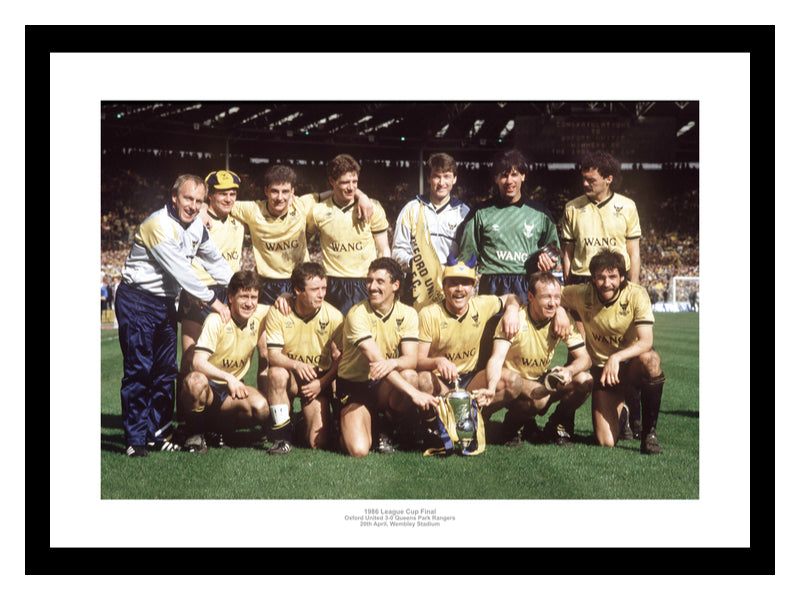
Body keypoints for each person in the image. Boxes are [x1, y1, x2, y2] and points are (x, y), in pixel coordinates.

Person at [115, 174, 233, 457]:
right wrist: (215, 301)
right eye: (188, 198)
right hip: (139, 299)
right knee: (139, 369)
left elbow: (215, 262)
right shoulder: (158, 224)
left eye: (199, 201)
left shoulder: (196, 226)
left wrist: (241, 288)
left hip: (166, 303)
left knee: (166, 370)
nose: (193, 206)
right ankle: (135, 439)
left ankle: (157, 433)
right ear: (174, 197)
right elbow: (182, 272)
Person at [559, 151, 644, 438]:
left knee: (624, 351)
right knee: (577, 351)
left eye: (591, 179)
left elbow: (633, 252)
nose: (585, 183)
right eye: (583, 178)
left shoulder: (627, 206)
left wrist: (632, 289)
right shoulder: (572, 208)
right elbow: (568, 253)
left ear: (608, 179)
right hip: (583, 283)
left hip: (616, 285)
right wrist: (568, 291)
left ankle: (631, 419)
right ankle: (565, 422)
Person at [559, 248, 666, 454]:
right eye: (600, 277)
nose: (606, 283)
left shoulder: (636, 294)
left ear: (622, 277)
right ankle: (623, 415)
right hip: (604, 373)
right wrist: (560, 312)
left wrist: (616, 357)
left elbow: (646, 341)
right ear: (592, 279)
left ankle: (649, 435)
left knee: (651, 360)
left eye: (612, 277)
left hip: (631, 366)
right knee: (606, 442)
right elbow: (553, 295)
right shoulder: (582, 293)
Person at [471, 271, 593, 447]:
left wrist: (569, 370)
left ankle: (556, 424)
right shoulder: (515, 319)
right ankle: (509, 428)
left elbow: (586, 359)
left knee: (585, 380)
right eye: (546, 297)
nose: (552, 303)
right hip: (509, 382)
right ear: (531, 297)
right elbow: (496, 358)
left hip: (538, 380)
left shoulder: (562, 320)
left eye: (557, 297)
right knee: (539, 396)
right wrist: (491, 387)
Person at [335, 257, 437, 457]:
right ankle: (343, 425)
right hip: (355, 386)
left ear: (395, 285)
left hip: (382, 383)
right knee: (358, 450)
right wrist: (414, 394)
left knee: (410, 375)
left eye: (380, 281)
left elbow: (411, 360)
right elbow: (375, 361)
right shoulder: (357, 314)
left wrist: (393, 362)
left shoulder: (408, 314)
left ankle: (386, 426)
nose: (372, 286)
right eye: (369, 280)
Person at [414, 255, 522, 443]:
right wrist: (438, 361)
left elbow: (512, 297)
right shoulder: (429, 314)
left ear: (473, 288)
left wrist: (512, 310)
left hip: (470, 381)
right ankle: (434, 426)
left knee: (513, 382)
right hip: (441, 384)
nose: (459, 289)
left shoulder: (481, 305)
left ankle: (477, 417)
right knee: (423, 380)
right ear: (444, 287)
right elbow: (418, 361)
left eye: (465, 283)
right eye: (453, 283)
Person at [177, 170, 246, 433]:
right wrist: (203, 208)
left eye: (233, 194)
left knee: (219, 354)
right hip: (198, 291)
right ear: (211, 196)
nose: (228, 199)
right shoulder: (197, 220)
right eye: (222, 194)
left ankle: (215, 416)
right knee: (191, 356)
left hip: (226, 291)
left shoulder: (239, 221)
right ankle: (186, 418)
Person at [180, 270, 270, 454]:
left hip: (230, 394)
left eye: (253, 297)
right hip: (208, 389)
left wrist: (285, 298)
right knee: (194, 381)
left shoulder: (259, 313)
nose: (249, 303)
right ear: (230, 298)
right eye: (243, 296)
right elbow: (198, 363)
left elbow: (286, 305)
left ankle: (219, 429)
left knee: (261, 409)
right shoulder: (216, 320)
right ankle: (195, 434)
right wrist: (229, 378)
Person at [261, 262, 344, 454]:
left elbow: (342, 359)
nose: (321, 294)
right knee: (276, 373)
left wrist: (321, 383)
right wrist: (296, 365)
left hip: (316, 381)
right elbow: (273, 356)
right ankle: (282, 438)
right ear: (298, 290)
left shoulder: (334, 316)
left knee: (317, 442)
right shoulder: (279, 312)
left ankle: (297, 421)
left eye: (324, 288)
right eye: (315, 289)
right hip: (291, 377)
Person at [457, 148, 561, 299]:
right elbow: (467, 257)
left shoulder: (541, 213)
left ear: (523, 176)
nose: (509, 181)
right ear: (496, 178)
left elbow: (555, 250)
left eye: (514, 174)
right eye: (504, 175)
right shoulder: (480, 212)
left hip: (528, 283)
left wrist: (550, 260)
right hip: (492, 284)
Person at [306, 154, 391, 316]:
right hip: (333, 282)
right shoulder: (318, 212)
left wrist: (383, 281)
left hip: (365, 280)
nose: (351, 188)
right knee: (335, 330)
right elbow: (302, 244)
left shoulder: (372, 208)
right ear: (332, 181)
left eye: (355, 182)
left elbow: (384, 249)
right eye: (345, 182)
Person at [391, 153, 471, 305]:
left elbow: (468, 254)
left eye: (447, 176)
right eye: (436, 176)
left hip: (450, 287)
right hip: (416, 287)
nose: (441, 182)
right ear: (428, 178)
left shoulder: (464, 213)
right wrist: (416, 264)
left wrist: (449, 269)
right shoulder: (411, 209)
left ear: (454, 179)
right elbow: (397, 251)